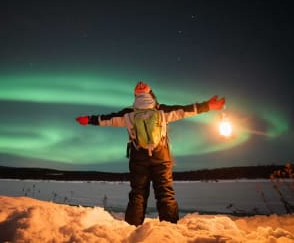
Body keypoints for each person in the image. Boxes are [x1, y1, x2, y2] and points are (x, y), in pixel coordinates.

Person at [75, 81, 225, 226]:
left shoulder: (128, 114)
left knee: (138, 194)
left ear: (135, 96)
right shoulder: (162, 110)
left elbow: (106, 119)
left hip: (138, 158)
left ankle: (133, 230)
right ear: (151, 94)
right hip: (161, 157)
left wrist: (88, 119)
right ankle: (169, 231)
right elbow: (185, 110)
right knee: (165, 193)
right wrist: (209, 105)